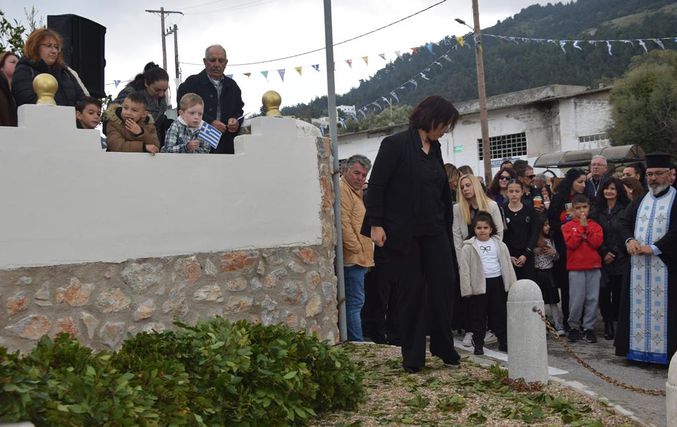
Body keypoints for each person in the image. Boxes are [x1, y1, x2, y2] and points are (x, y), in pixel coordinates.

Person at [362, 95, 461, 372]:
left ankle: (442, 344)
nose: (447, 130)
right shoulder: (394, 145)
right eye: (445, 124)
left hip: (435, 230)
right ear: (431, 118)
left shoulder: (436, 148)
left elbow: (438, 188)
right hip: (404, 233)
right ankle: (414, 355)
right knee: (412, 293)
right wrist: (376, 224)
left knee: (444, 284)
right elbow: (377, 186)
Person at [616, 152, 677, 365]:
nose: (653, 178)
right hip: (638, 268)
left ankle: (667, 356)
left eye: (658, 173)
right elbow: (622, 223)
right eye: (650, 174)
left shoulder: (676, 198)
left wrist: (655, 248)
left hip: (667, 267)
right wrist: (629, 240)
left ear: (670, 174)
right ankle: (638, 352)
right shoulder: (641, 199)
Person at [453, 173, 504, 347]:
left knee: (491, 298)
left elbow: (499, 232)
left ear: (475, 185)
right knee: (470, 296)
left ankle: (492, 331)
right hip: (468, 258)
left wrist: (490, 252)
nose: (465, 189)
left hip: (489, 258)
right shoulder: (458, 209)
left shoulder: (492, 205)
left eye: (468, 185)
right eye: (462, 187)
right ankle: (471, 330)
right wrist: (461, 262)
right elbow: (457, 237)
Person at [458, 211, 516, 355]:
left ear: (491, 229)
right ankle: (478, 344)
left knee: (500, 314)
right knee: (479, 316)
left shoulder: (500, 245)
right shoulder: (468, 247)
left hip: (497, 282)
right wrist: (467, 289)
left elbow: (507, 265)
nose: (482, 230)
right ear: (474, 229)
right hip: (479, 285)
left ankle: (504, 342)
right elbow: (464, 270)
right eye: (479, 228)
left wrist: (512, 284)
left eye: (485, 228)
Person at [177, 45, 244, 154]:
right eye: (212, 60)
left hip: (226, 146)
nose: (216, 64)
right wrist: (209, 122)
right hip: (196, 145)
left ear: (226, 63)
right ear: (205, 61)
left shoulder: (232, 86)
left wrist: (235, 121)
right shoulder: (191, 83)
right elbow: (182, 112)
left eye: (220, 60)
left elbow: (239, 111)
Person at [339, 154, 374, 341]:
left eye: (363, 175)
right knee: (354, 303)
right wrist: (356, 248)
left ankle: (356, 340)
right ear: (345, 170)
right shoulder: (343, 189)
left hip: (359, 258)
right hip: (353, 259)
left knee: (356, 303)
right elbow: (344, 223)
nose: (360, 178)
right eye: (356, 173)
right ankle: (356, 343)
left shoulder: (354, 192)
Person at [547, 168, 587, 330]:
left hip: (581, 246)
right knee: (566, 286)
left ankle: (582, 320)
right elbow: (552, 221)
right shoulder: (558, 198)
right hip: (564, 247)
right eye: (580, 181)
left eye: (585, 182)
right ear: (571, 182)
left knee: (581, 287)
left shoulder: (584, 197)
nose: (583, 185)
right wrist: (566, 226)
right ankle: (568, 320)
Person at [562, 193, 604, 343]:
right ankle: (574, 326)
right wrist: (581, 228)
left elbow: (597, 243)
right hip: (576, 267)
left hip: (593, 266)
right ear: (573, 210)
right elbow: (571, 244)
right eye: (578, 208)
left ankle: (588, 327)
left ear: (589, 208)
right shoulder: (567, 226)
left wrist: (587, 228)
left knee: (592, 298)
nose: (582, 211)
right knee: (576, 299)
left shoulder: (596, 226)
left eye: (584, 207)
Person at [593, 177, 630, 340]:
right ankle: (607, 323)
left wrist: (613, 252)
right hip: (601, 258)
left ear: (618, 191)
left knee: (618, 292)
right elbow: (593, 233)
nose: (609, 191)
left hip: (621, 257)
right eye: (606, 188)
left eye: (613, 188)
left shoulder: (625, 209)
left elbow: (626, 232)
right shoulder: (596, 210)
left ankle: (618, 324)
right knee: (603, 292)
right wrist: (604, 252)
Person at [12, 28, 87, 107]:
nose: (54, 51)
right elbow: (26, 101)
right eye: (49, 46)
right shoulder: (24, 70)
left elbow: (83, 101)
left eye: (56, 47)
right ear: (35, 47)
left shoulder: (65, 72)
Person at [113, 63, 170, 142]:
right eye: (157, 90)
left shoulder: (161, 100)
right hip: (127, 141)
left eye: (164, 90)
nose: (161, 94)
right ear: (146, 83)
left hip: (152, 142)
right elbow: (112, 112)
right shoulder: (130, 93)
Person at [503, 179, 541, 281]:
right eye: (511, 191)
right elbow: (501, 235)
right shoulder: (502, 210)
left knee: (527, 284)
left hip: (527, 254)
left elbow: (534, 233)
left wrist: (525, 255)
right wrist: (508, 255)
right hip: (509, 256)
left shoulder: (530, 210)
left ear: (522, 192)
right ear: (507, 192)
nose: (514, 194)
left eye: (517, 191)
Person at [534, 218, 565, 335]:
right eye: (545, 225)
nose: (548, 227)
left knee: (553, 301)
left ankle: (558, 324)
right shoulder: (533, 240)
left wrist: (554, 253)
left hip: (549, 273)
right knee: (539, 300)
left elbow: (557, 257)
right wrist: (535, 251)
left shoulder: (550, 240)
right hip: (537, 273)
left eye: (548, 224)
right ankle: (541, 325)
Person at [0, 51, 19, 126]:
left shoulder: (15, 92)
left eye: (19, 63)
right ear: (1, 66)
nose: (17, 65)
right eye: (13, 62)